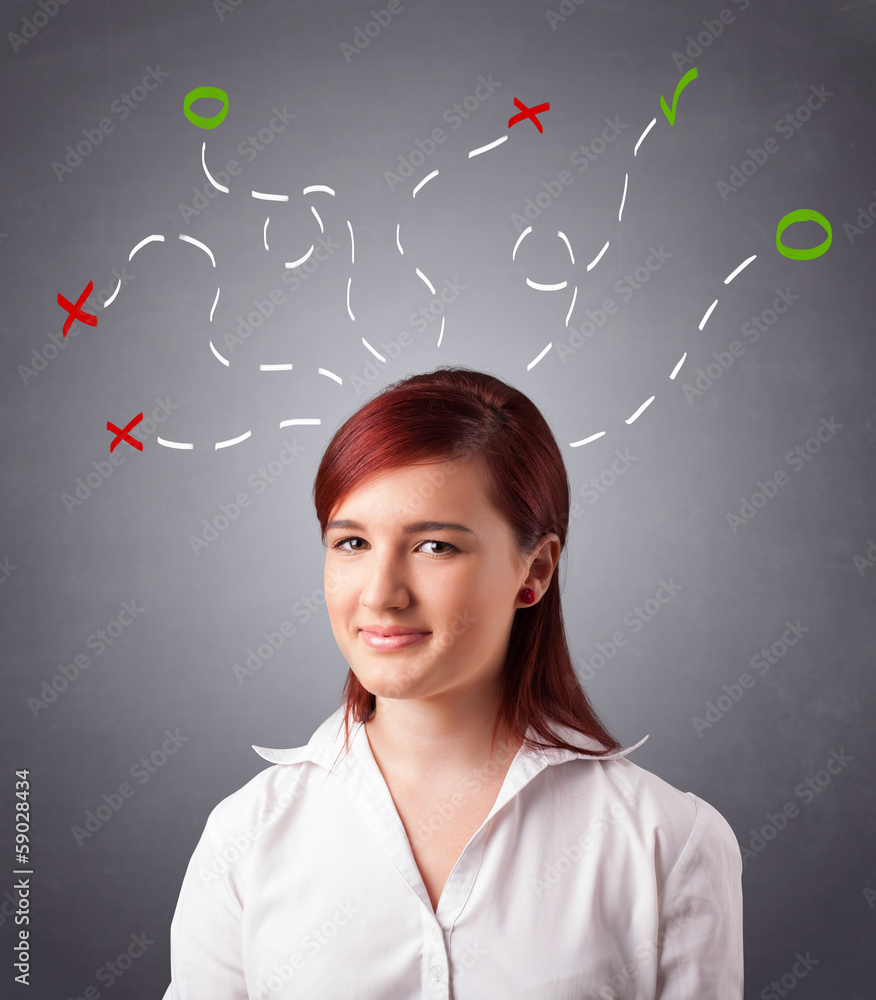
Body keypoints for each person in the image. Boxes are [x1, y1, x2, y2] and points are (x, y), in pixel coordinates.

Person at [161, 366, 743, 999]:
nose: (381, 595)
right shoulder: (246, 835)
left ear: (536, 570)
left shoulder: (667, 841)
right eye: (351, 542)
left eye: (435, 546)